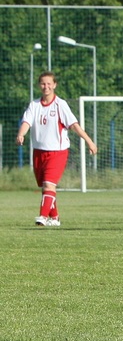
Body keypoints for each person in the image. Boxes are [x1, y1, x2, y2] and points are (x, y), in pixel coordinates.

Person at [16, 71, 98, 226]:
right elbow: (26, 122)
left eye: (49, 84)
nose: (46, 87)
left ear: (54, 85)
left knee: (49, 184)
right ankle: (55, 218)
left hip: (57, 152)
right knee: (45, 187)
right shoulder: (34, 105)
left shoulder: (60, 104)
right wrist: (21, 134)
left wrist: (89, 141)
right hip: (39, 151)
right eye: (43, 83)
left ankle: (43, 216)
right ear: (39, 85)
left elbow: (74, 125)